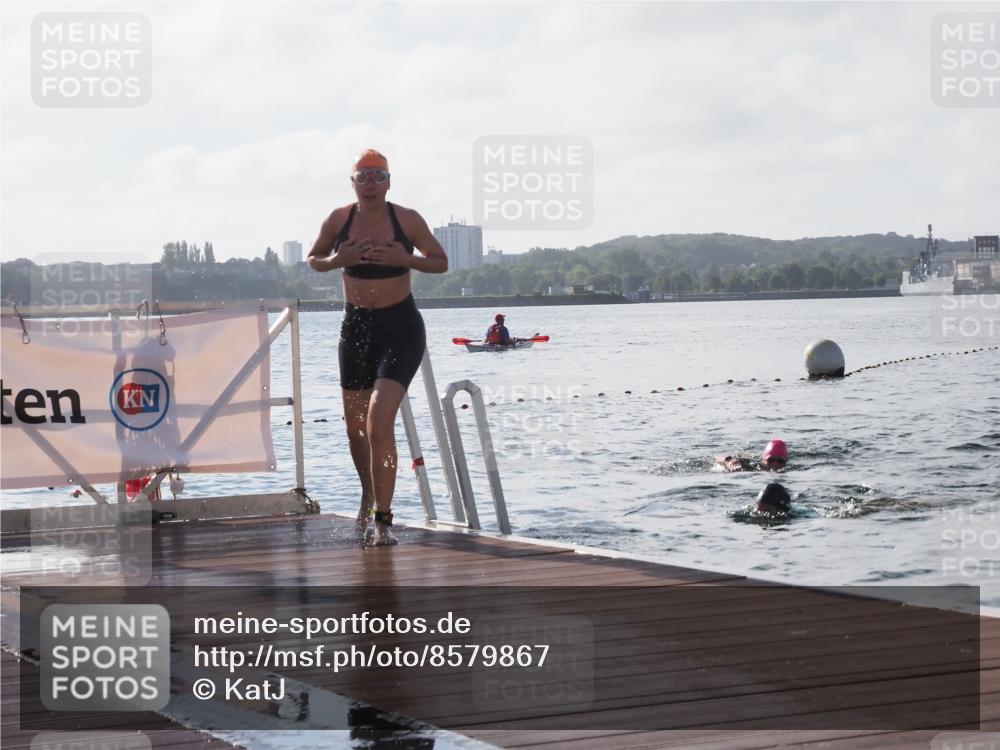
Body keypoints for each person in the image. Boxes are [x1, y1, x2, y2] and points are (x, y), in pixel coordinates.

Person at [307, 149, 448, 545]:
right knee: (355, 429)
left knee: (378, 421)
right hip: (356, 329)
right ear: (352, 183)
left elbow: (440, 262)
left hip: (400, 327)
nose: (370, 183)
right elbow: (314, 258)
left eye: (378, 176)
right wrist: (339, 259)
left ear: (389, 182)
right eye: (363, 176)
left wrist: (407, 259)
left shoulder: (407, 220)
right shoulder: (338, 220)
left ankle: (382, 520)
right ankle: (369, 495)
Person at [715, 438, 788, 473]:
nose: (775, 464)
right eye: (771, 460)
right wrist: (729, 460)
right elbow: (718, 457)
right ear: (763, 459)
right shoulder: (750, 464)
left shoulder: (788, 470)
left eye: (780, 461)